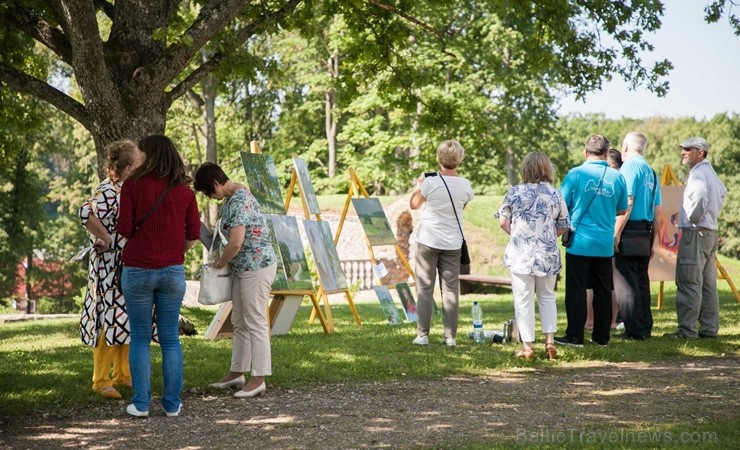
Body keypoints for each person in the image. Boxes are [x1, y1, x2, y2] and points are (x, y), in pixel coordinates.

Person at [118, 135, 200, 417]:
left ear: (148, 155)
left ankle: (141, 404)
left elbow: (124, 229)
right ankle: (172, 404)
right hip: (172, 271)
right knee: (169, 338)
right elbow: (193, 236)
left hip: (138, 268)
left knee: (140, 336)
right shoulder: (185, 192)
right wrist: (174, 249)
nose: (137, 156)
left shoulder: (132, 185)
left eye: (140, 151)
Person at [193, 162, 277, 398]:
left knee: (256, 321)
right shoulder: (230, 200)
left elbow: (236, 243)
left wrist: (219, 263)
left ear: (216, 184)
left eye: (209, 192)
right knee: (240, 321)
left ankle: (259, 378)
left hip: (256, 267)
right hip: (243, 268)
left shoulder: (240, 201)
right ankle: (237, 372)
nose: (211, 197)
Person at [79, 140, 144, 399]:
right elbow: (84, 213)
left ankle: (123, 374)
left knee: (124, 317)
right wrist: (107, 239)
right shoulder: (107, 190)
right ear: (127, 167)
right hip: (108, 266)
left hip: (122, 262)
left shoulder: (125, 187)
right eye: (138, 163)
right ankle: (101, 378)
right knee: (107, 318)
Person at [497, 152, 570, 360]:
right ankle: (549, 342)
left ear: (525, 169)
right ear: (547, 169)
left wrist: (519, 236)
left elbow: (503, 221)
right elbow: (563, 225)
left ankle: (528, 346)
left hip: (521, 253)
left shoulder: (515, 192)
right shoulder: (555, 194)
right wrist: (546, 237)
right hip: (547, 252)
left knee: (523, 300)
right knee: (547, 297)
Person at [557, 135, 628, 347]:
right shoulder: (617, 177)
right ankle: (601, 337)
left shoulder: (575, 174)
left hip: (579, 242)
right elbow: (623, 209)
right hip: (604, 243)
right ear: (607, 153)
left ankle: (575, 336)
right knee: (603, 291)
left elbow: (561, 204)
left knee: (577, 291)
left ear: (585, 152)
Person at [410, 140, 474, 348]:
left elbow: (414, 204)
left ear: (439, 159)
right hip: (452, 243)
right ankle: (450, 337)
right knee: (450, 290)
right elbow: (460, 207)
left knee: (424, 289)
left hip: (428, 240)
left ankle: (423, 335)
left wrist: (419, 185)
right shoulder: (465, 185)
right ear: (460, 159)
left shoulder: (430, 182)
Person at [664, 137, 727, 339]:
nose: (682, 152)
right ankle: (709, 329)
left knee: (689, 281)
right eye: (682, 148)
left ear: (700, 152)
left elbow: (699, 197)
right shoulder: (711, 173)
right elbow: (723, 193)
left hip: (696, 231)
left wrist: (693, 217)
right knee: (708, 284)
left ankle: (686, 330)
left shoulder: (699, 174)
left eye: (687, 149)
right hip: (710, 232)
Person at [612, 132, 663, 340]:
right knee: (642, 281)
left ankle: (633, 330)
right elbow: (658, 211)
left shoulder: (630, 167)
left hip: (629, 227)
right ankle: (645, 326)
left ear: (625, 147)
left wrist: (616, 233)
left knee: (625, 282)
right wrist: (654, 242)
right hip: (646, 229)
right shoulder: (651, 171)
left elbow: (628, 201)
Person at [585, 148, 623, 330]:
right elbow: (624, 208)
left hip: (586, 239)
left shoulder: (581, 174)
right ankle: (611, 323)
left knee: (590, 285)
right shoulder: (618, 180)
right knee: (609, 284)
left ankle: (590, 322)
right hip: (607, 238)